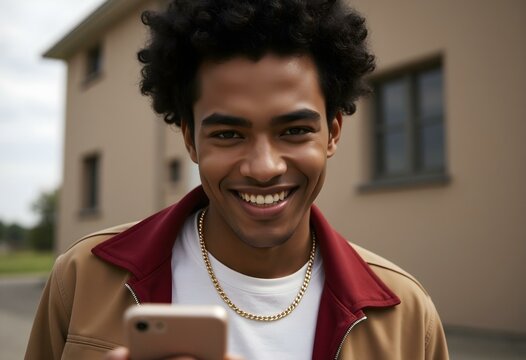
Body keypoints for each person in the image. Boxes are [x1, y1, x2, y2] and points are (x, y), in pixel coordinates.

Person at [26, 0, 449, 359]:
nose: (264, 167)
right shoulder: (82, 278)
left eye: (294, 130)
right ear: (190, 140)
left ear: (333, 132)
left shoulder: (408, 315)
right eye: (228, 134)